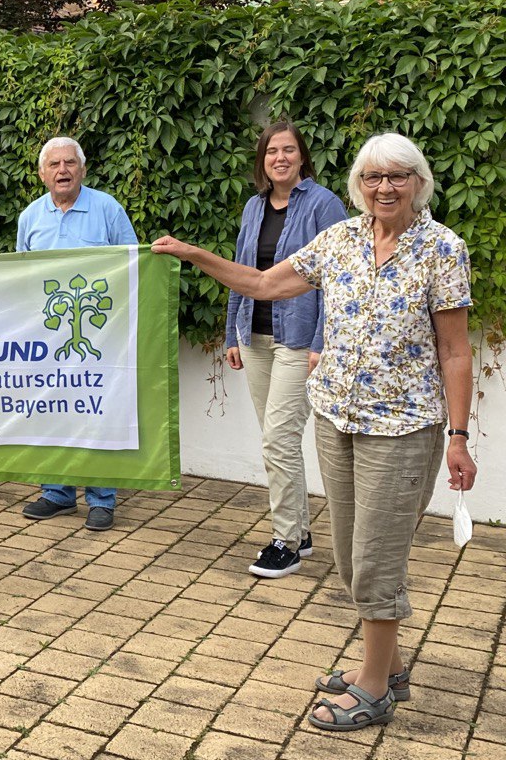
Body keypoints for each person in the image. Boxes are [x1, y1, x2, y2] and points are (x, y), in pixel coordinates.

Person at [152, 132, 475, 733]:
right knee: (350, 557)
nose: (384, 187)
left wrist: (458, 436)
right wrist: (195, 255)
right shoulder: (340, 239)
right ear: (358, 184)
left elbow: (455, 351)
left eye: (397, 176)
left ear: (419, 183)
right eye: (373, 176)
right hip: (335, 420)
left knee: (377, 559)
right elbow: (264, 285)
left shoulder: (442, 249)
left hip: (402, 428)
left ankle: (374, 688)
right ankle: (389, 667)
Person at [226, 122, 347, 578]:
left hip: (299, 339)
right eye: (272, 151)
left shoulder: (323, 204)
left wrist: (322, 342)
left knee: (278, 439)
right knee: (278, 441)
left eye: (289, 150)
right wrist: (231, 333)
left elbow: (339, 277)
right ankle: (301, 530)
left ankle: (286, 543)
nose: (280, 158)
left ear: (302, 157)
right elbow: (241, 271)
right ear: (262, 160)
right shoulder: (253, 207)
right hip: (255, 338)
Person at [16, 137, 137, 532]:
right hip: (48, 336)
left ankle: (101, 498)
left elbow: (133, 264)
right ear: (42, 174)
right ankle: (57, 493)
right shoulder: (30, 217)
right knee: (52, 410)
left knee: (96, 411)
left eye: (69, 163)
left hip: (99, 336)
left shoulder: (107, 209)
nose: (62, 170)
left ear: (82, 170)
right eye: (54, 164)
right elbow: (21, 277)